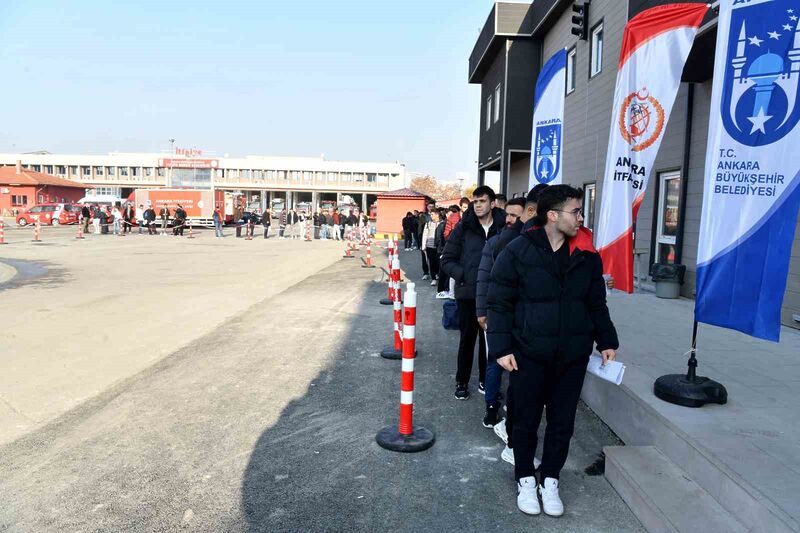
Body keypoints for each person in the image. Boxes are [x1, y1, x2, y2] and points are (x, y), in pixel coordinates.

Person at [487, 185, 619, 517]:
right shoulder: (517, 251)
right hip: (529, 353)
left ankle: (550, 478)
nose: (580, 218)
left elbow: (595, 303)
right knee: (526, 421)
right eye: (575, 211)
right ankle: (525, 479)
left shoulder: (587, 255)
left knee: (562, 422)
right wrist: (501, 347)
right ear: (552, 215)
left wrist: (607, 341)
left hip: (571, 356)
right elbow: (499, 302)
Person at [477, 187, 547, 461]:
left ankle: (505, 420)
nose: (509, 219)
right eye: (507, 214)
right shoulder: (505, 241)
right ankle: (493, 411)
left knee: (514, 375)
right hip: (503, 317)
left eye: (513, 215)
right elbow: (487, 278)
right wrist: (483, 311)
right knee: (498, 363)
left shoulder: (528, 239)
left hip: (521, 322)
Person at [440, 186, 505, 400]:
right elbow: (446, 259)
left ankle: (486, 381)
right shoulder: (463, 227)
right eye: (475, 201)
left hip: (494, 295)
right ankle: (462, 381)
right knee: (467, 340)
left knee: (490, 342)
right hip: (468, 294)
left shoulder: (503, 226)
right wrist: (465, 276)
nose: (477, 205)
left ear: (493, 203)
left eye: (482, 201)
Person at [421, 209, 442, 287]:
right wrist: (423, 246)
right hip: (429, 246)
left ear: (437, 214)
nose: (431, 216)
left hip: (438, 247)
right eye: (430, 214)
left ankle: (437, 274)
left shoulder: (442, 223)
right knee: (431, 263)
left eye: (432, 214)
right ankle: (433, 278)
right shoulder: (428, 224)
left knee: (438, 262)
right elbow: (425, 235)